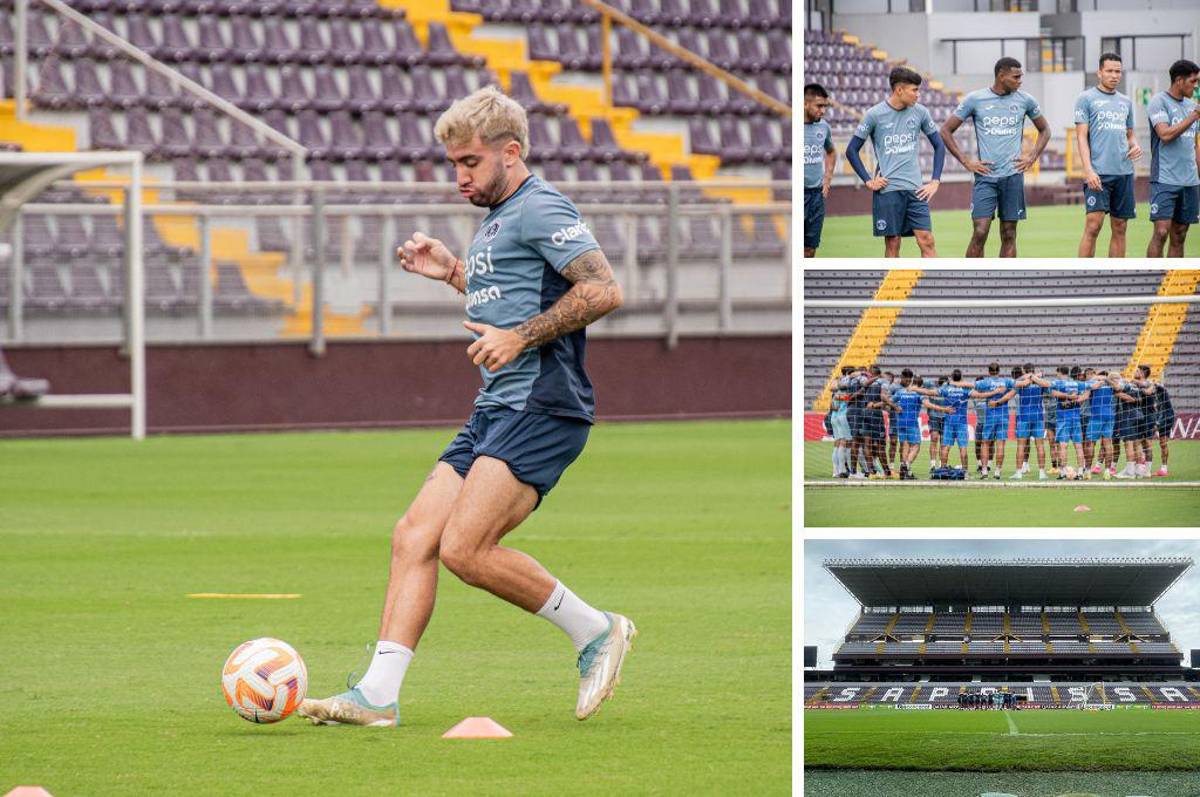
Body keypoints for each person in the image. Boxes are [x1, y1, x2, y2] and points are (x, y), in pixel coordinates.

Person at [298, 87, 634, 728]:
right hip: (496, 406)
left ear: (511, 152)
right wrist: (456, 271)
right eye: (454, 163)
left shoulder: (541, 207)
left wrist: (521, 337)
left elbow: (603, 289)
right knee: (413, 536)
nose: (460, 176)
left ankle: (596, 630)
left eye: (471, 162)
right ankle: (377, 696)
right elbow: (514, 292)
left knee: (465, 549)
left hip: (543, 406)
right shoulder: (497, 217)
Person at [940, 57, 1051, 257]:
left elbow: (1045, 130)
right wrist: (967, 162)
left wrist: (1032, 156)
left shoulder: (1026, 100)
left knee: (1009, 234)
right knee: (980, 231)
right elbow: (946, 130)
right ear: (1001, 76)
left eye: (1021, 77)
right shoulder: (975, 99)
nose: (1020, 81)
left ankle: (1004, 277)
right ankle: (972, 277)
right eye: (1016, 77)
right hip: (986, 177)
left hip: (1013, 176)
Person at [845, 66, 946, 257]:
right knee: (893, 243)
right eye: (914, 90)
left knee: (927, 240)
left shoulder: (921, 112)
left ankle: (931, 278)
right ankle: (893, 279)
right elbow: (851, 150)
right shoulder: (874, 114)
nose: (918, 94)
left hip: (916, 190)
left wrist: (935, 181)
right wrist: (868, 181)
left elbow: (939, 146)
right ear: (899, 90)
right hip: (888, 190)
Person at [1075, 53, 1143, 257]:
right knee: (1093, 225)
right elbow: (1081, 137)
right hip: (1098, 173)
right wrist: (1088, 170)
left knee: (1120, 227)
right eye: (1110, 71)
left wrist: (1135, 145)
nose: (1114, 75)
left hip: (1124, 172)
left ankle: (1116, 272)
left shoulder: (1126, 102)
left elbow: (1129, 134)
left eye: (1118, 71)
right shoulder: (1086, 98)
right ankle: (1082, 274)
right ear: (1099, 72)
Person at [1146, 59, 1200, 258]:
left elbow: (1194, 144)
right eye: (1193, 81)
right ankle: (1152, 276)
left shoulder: (1192, 106)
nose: (1196, 86)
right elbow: (1165, 134)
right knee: (1161, 232)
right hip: (1165, 178)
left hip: (1190, 181)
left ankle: (1173, 278)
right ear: (1179, 81)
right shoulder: (1158, 102)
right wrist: (1193, 116)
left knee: (1180, 234)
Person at [893, 369, 953, 479]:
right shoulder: (919, 393)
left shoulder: (900, 391)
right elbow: (928, 405)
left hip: (900, 422)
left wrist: (895, 407)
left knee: (905, 445)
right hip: (912, 423)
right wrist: (944, 409)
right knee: (916, 446)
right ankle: (906, 466)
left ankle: (905, 471)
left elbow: (889, 401)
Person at [804, 83, 838, 257]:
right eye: (819, 106)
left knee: (810, 249)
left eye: (825, 106)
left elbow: (831, 152)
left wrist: (827, 178)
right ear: (805, 104)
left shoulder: (823, 127)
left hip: (816, 196)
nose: (823, 111)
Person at [975, 363, 1015, 480]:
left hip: (990, 417)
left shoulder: (985, 382)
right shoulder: (1006, 382)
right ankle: (997, 472)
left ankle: (984, 471)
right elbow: (1019, 384)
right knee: (1000, 444)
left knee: (985, 443)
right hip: (1003, 416)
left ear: (989, 372)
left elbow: (970, 386)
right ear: (999, 371)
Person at [1050, 366, 1090, 478]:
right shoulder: (1077, 384)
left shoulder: (1058, 383)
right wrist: (1077, 399)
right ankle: (1081, 473)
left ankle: (1063, 472)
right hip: (1076, 418)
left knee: (1063, 445)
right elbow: (1088, 392)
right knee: (1078, 446)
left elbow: (1052, 392)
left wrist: (1068, 398)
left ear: (1059, 372)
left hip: (1063, 418)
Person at [1011, 364, 1049, 480]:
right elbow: (1047, 386)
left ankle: (1018, 473)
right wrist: (1036, 376)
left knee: (1021, 445)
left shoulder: (1021, 382)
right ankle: (1042, 473)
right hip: (1038, 416)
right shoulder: (1040, 382)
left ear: (1024, 371)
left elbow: (1013, 386)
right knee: (1040, 445)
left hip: (1023, 417)